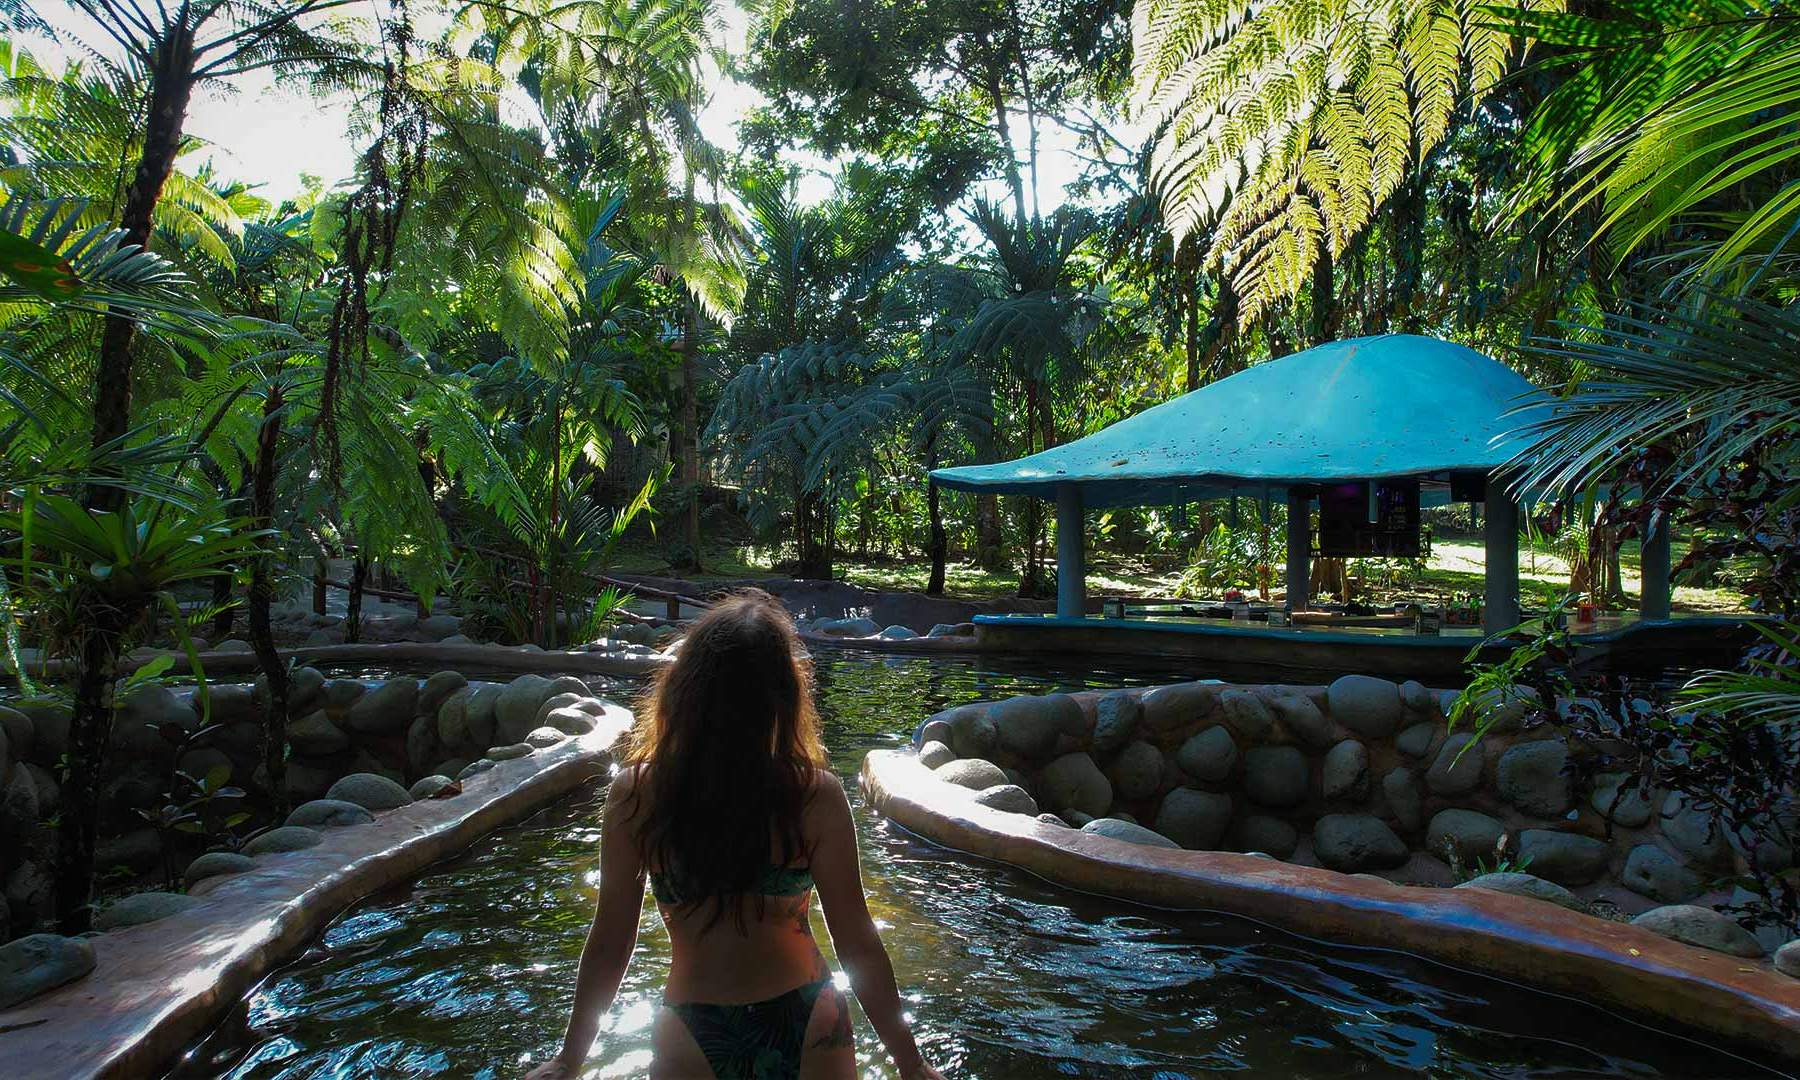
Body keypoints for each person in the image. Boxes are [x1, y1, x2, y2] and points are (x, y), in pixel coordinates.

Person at [525, 590, 945, 1080]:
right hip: (810, 1019)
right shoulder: (812, 795)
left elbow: (611, 941)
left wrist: (569, 1060)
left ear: (684, 691)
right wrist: (910, 1063)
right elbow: (856, 940)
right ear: (783, 698)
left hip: (692, 1029)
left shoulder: (638, 795)